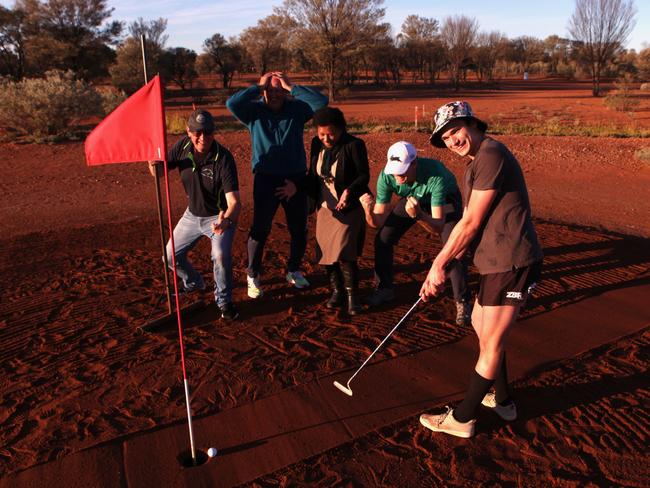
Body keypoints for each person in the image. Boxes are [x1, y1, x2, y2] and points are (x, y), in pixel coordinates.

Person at [419, 101, 543, 438]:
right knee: (479, 324)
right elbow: (471, 222)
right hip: (494, 262)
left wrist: (439, 264)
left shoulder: (490, 155)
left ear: (473, 124)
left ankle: (462, 418)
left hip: (513, 261)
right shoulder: (477, 162)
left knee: (491, 343)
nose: (452, 140)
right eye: (445, 137)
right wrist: (455, 254)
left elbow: (471, 221)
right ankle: (502, 399)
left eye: (455, 130)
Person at [226, 71, 328, 298]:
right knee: (260, 229)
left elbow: (321, 102)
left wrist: (291, 87)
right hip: (266, 179)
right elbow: (231, 103)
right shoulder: (253, 112)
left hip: (296, 178)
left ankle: (293, 269)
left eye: (278, 90)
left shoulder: (297, 110)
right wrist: (257, 86)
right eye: (270, 90)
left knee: (299, 229)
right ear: (263, 91)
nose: (274, 94)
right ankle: (253, 275)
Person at [359, 141, 472, 325]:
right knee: (383, 238)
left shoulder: (436, 176)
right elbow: (378, 223)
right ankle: (384, 289)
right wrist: (367, 211)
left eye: (402, 170)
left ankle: (463, 300)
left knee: (452, 248)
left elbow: (438, 226)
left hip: (444, 202)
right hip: (414, 200)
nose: (398, 176)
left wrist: (419, 216)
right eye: (395, 170)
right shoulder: (387, 176)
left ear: (414, 164)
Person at [148, 109, 241, 321]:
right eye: (197, 132)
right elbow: (160, 172)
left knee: (220, 256)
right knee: (170, 257)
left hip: (218, 217)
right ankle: (193, 282)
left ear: (213, 132)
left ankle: (224, 301)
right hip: (192, 216)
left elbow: (235, 202)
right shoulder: (182, 146)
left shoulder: (223, 158)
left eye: (207, 132)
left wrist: (226, 220)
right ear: (188, 132)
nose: (202, 137)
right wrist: (152, 163)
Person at [307, 107, 370, 315]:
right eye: (321, 133)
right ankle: (337, 291)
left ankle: (353, 296)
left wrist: (349, 192)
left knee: (345, 253)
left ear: (341, 129)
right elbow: (312, 175)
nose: (326, 138)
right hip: (325, 208)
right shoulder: (316, 144)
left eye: (331, 133)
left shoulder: (354, 145)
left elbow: (363, 176)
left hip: (348, 208)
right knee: (326, 254)